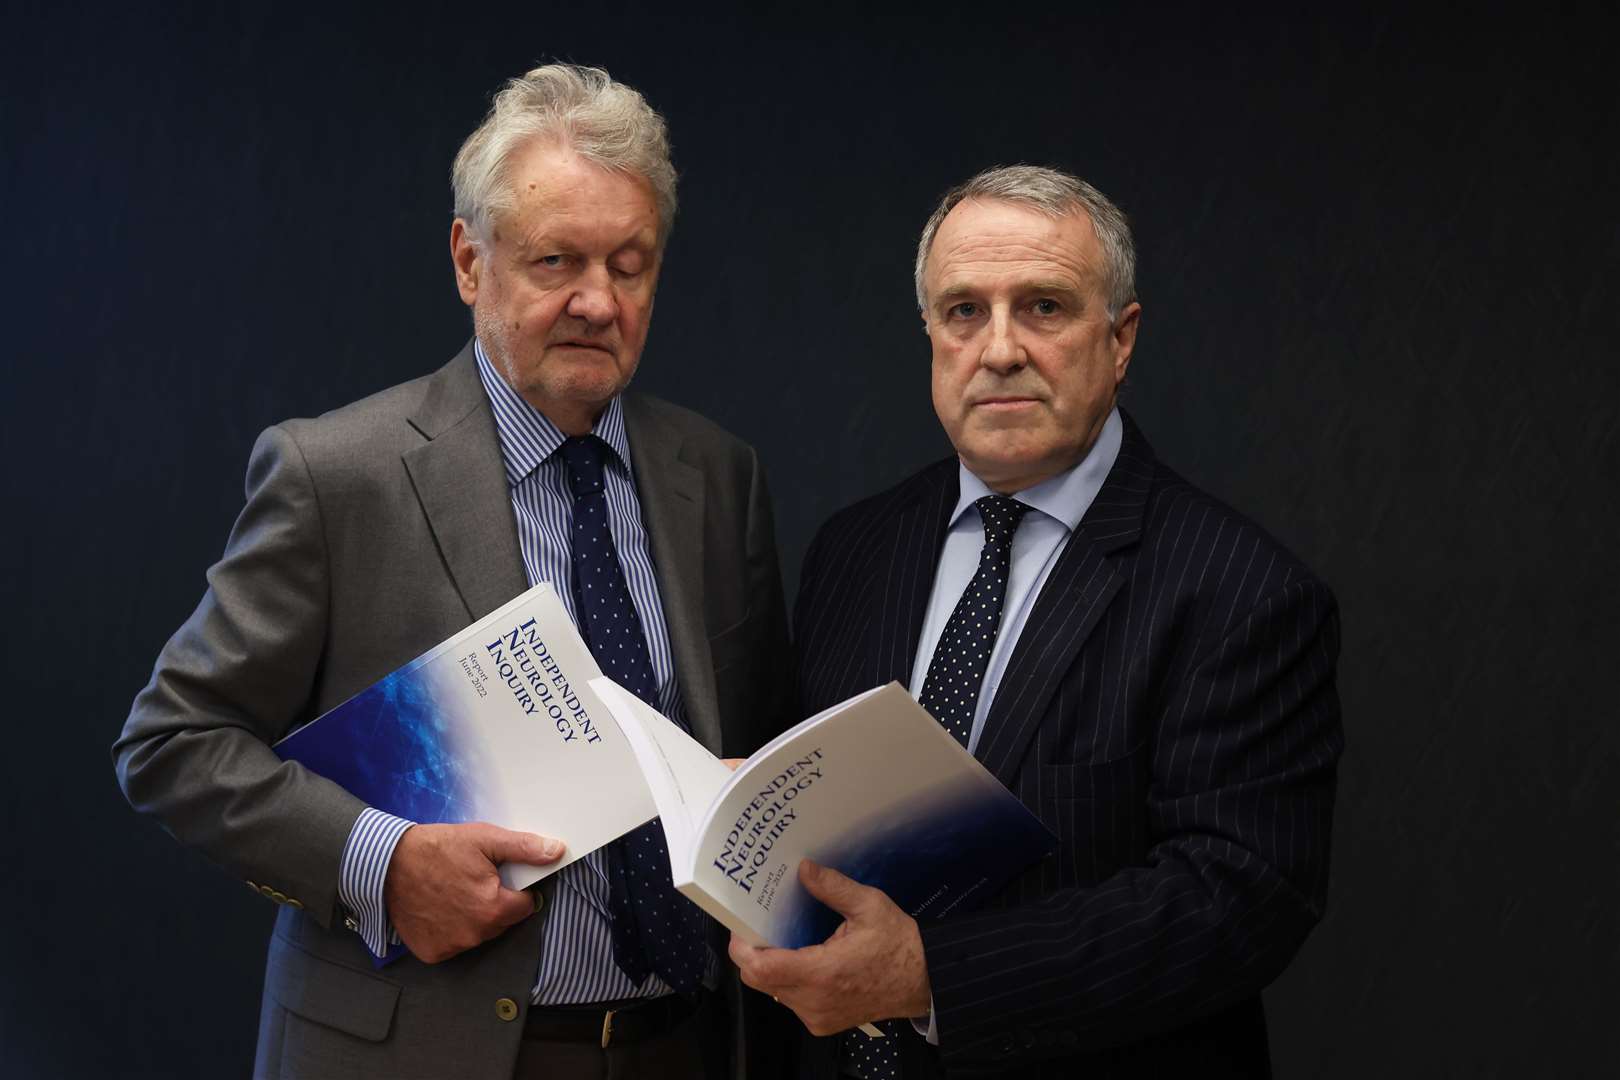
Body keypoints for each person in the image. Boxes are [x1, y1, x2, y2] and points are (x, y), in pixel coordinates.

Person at [114, 64, 792, 1080]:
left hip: (686, 1048)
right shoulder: (338, 474)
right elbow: (171, 743)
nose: (597, 302)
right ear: (470, 261)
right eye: (555, 259)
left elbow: (752, 749)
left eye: (630, 264)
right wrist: (381, 866)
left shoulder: (719, 476)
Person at [731, 165, 1343, 1078]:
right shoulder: (854, 550)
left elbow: (1237, 900)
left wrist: (929, 976)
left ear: (1122, 338)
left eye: (1045, 307)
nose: (1001, 348)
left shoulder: (1241, 589)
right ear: (931, 337)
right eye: (964, 311)